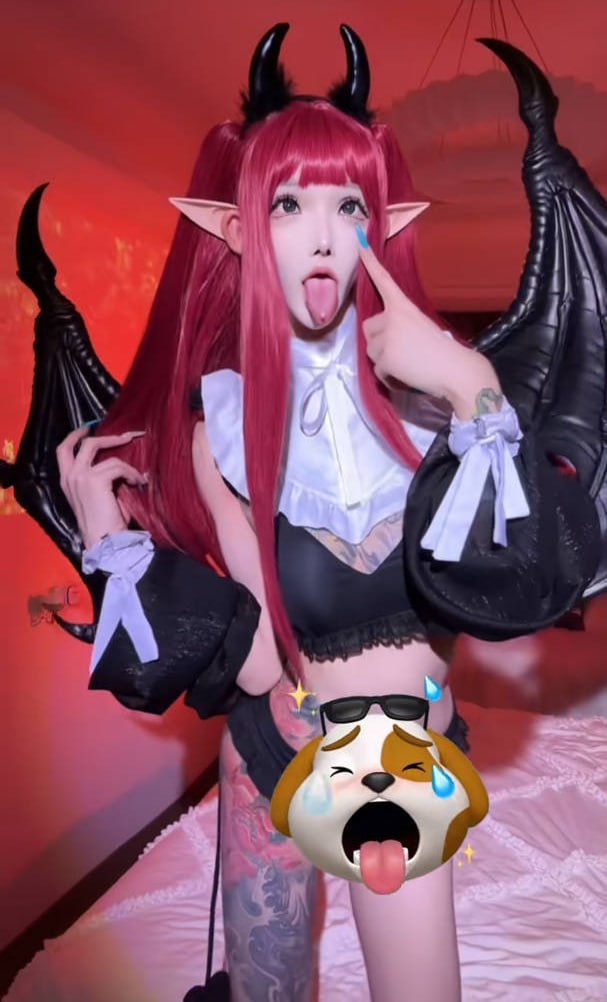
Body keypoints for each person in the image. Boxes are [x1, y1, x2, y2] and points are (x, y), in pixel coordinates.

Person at [48, 24, 599, 1002]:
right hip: (278, 753)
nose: (320, 233)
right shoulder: (223, 429)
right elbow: (265, 662)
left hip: (408, 759)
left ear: (377, 225)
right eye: (287, 203)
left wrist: (471, 388)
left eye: (348, 204)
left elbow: (521, 586)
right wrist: (111, 545)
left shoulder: (439, 398)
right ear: (239, 231)